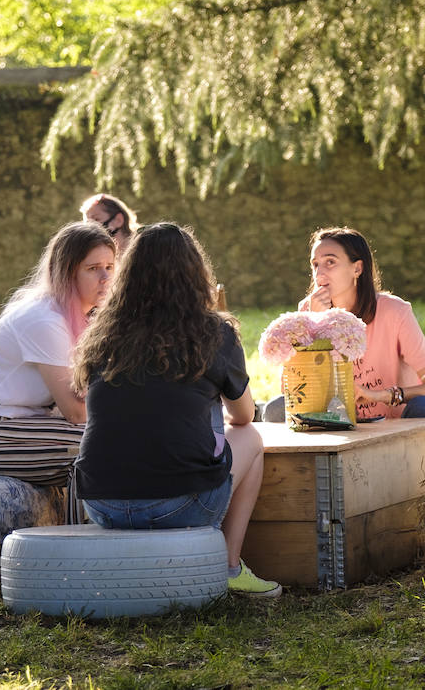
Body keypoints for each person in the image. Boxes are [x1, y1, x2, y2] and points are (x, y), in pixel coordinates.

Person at [73, 223, 282, 599]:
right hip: (181, 503)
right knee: (249, 437)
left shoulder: (102, 334)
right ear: (195, 274)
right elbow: (244, 416)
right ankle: (230, 567)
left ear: (127, 276)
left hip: (102, 503)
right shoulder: (214, 333)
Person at [0, 222, 115, 518]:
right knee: (90, 447)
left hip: (22, 421)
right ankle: (81, 550)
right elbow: (75, 412)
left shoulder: (82, 316)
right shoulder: (45, 320)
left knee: (112, 436)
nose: (105, 278)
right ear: (67, 272)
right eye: (93, 269)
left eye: (110, 267)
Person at [300, 227, 425, 420]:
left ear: (357, 268)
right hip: (334, 424)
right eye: (315, 264)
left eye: (330, 262)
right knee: (276, 409)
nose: (319, 273)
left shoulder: (395, 312)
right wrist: (315, 324)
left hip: (396, 424)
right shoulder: (309, 311)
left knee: (424, 407)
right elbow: (293, 391)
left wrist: (383, 395)